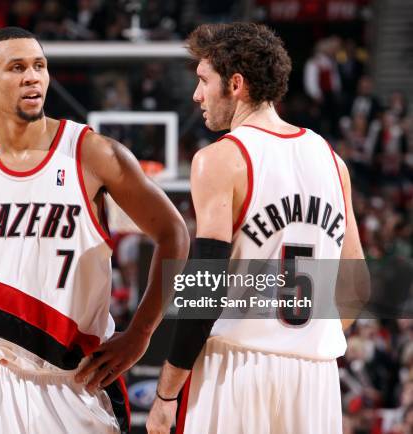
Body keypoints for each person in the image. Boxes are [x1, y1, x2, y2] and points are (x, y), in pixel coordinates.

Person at [0, 27, 189, 434]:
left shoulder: (93, 154)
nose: (32, 76)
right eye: (16, 67)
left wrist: (140, 332)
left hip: (78, 380)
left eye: (39, 66)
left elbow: (174, 233)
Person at [146, 23, 367, 434]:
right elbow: (356, 287)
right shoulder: (332, 161)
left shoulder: (221, 159)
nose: (197, 95)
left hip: (238, 369)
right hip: (316, 379)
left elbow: (205, 285)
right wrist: (305, 342)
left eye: (203, 81)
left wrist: (166, 392)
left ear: (235, 84)